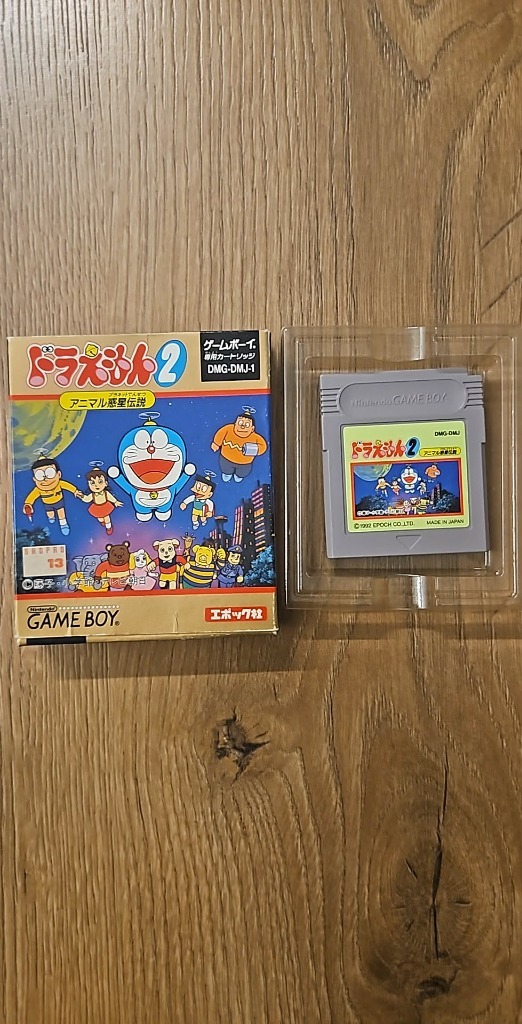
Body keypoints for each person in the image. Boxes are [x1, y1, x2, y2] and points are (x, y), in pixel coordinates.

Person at [23, 456, 83, 535]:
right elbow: (32, 497)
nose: (45, 479)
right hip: (47, 504)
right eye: (40, 475)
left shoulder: (60, 484)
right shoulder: (38, 490)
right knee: (50, 514)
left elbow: (68, 486)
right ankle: (51, 517)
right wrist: (28, 504)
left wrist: (75, 491)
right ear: (34, 479)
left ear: (59, 474)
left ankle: (63, 524)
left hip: (59, 501)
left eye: (49, 473)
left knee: (61, 513)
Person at [211, 407, 267, 482]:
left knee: (243, 472)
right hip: (226, 458)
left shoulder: (255, 437)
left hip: (245, 463)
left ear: (252, 429)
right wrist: (216, 443)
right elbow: (220, 434)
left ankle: (239, 476)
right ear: (235, 423)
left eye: (247, 425)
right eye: (240, 423)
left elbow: (263, 447)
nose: (242, 426)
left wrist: (255, 450)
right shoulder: (228, 429)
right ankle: (227, 474)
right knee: (225, 468)